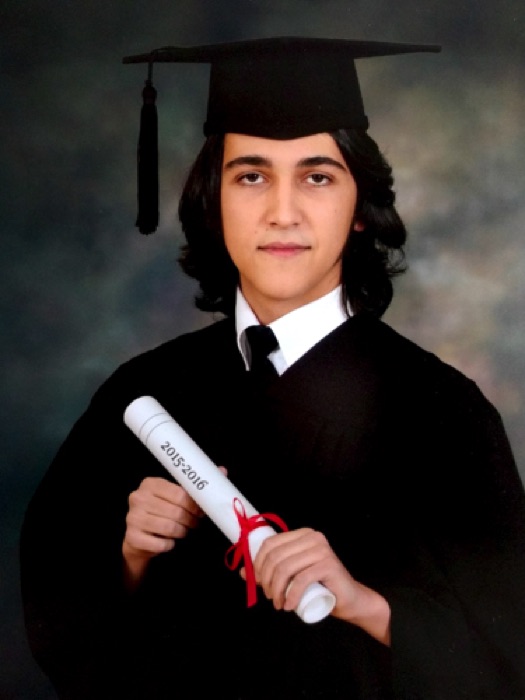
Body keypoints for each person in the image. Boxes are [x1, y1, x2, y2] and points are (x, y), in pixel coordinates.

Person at [20, 37, 525, 699]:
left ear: (360, 211)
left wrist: (365, 605)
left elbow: (506, 656)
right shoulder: (144, 394)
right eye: (251, 176)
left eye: (317, 177)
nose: (282, 213)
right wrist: (132, 558)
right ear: (213, 200)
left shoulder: (442, 411)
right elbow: (61, 626)